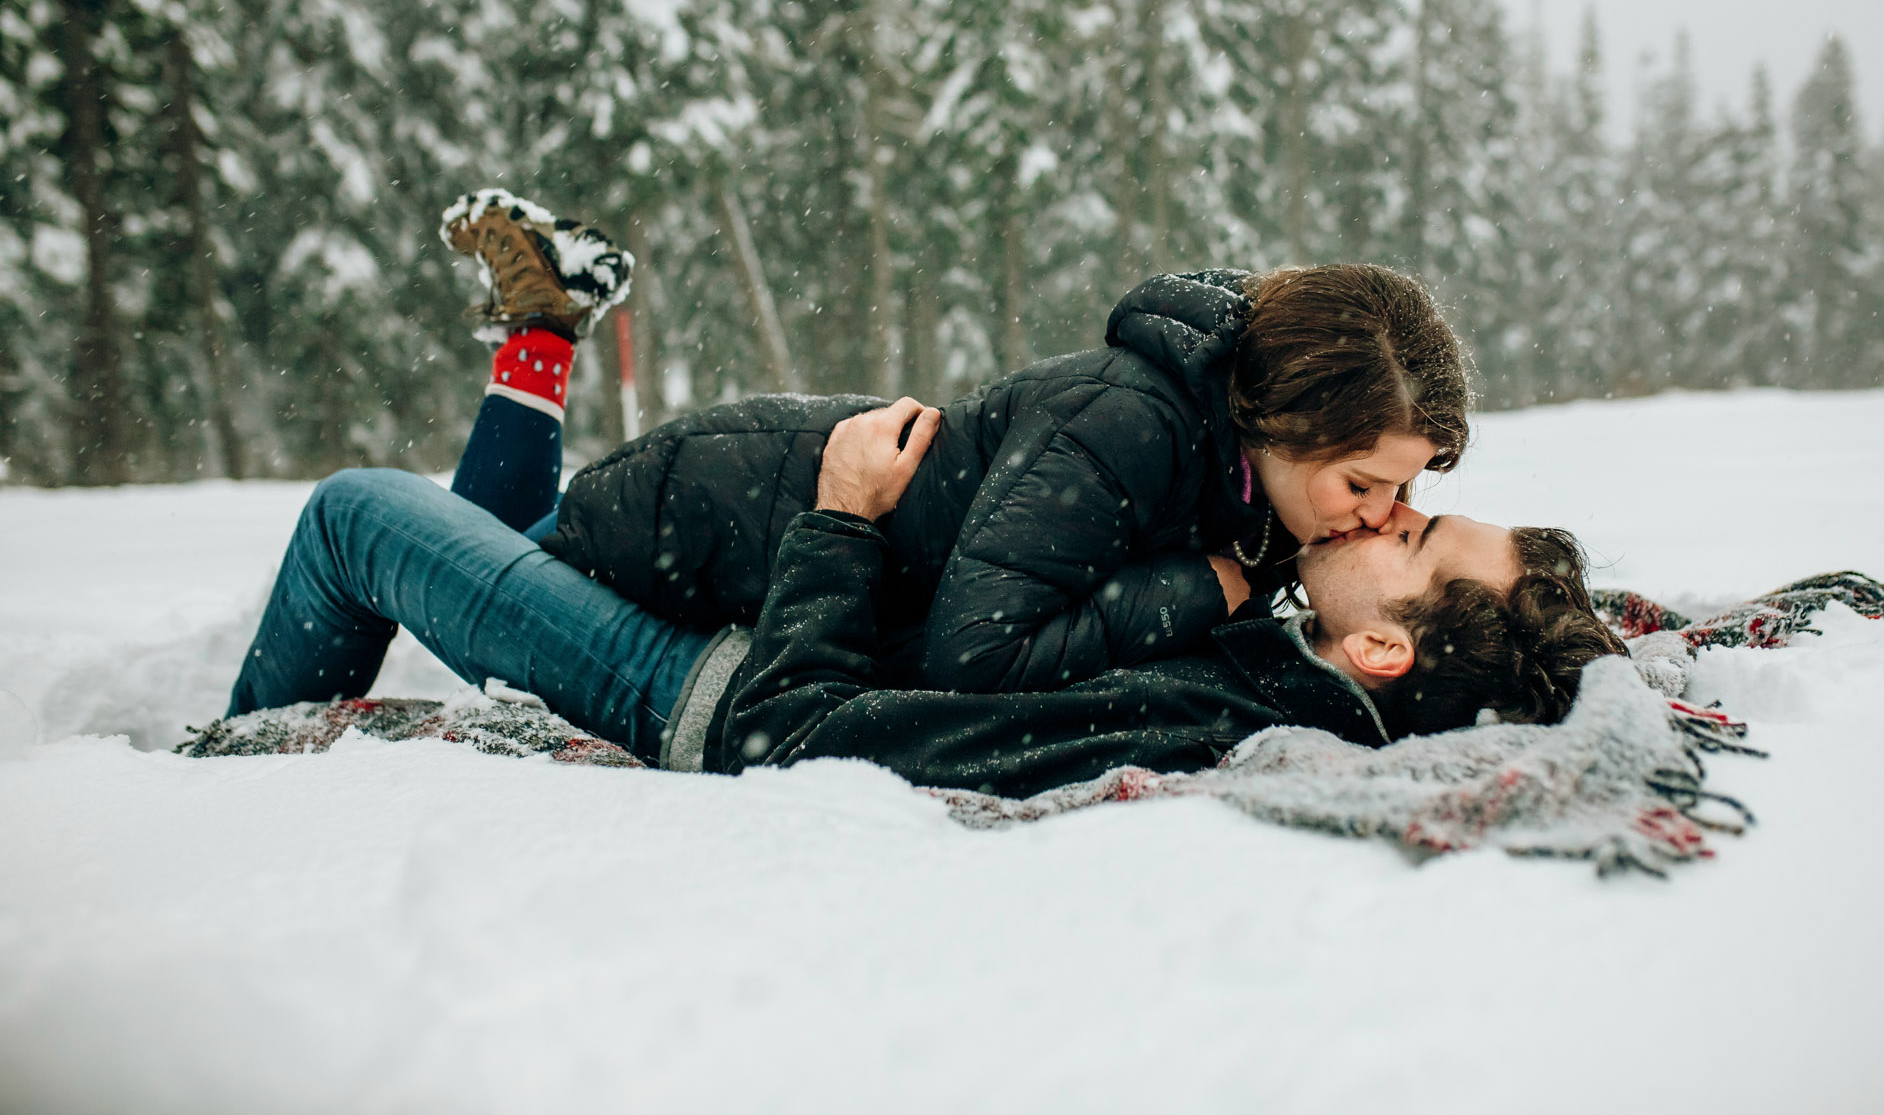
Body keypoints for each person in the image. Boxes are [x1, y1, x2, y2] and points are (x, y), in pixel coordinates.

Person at [227, 389, 1622, 797]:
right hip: (757, 619)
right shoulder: (1283, 644)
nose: (1394, 507)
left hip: (704, 690)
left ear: (1381, 648)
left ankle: (210, 785)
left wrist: (838, 522)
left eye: (1419, 531)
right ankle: (531, 351)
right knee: (506, 541)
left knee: (359, 515)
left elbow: (802, 736)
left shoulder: (1199, 716)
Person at [423, 188, 1478, 700]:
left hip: (753, 513)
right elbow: (972, 657)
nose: (1382, 514)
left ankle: (545, 322)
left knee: (489, 545)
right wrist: (1196, 591)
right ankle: (548, 324)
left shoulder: (1234, 476)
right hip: (709, 516)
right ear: (1282, 420)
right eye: (1364, 482)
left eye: (1396, 493)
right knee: (465, 558)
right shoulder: (1134, 423)